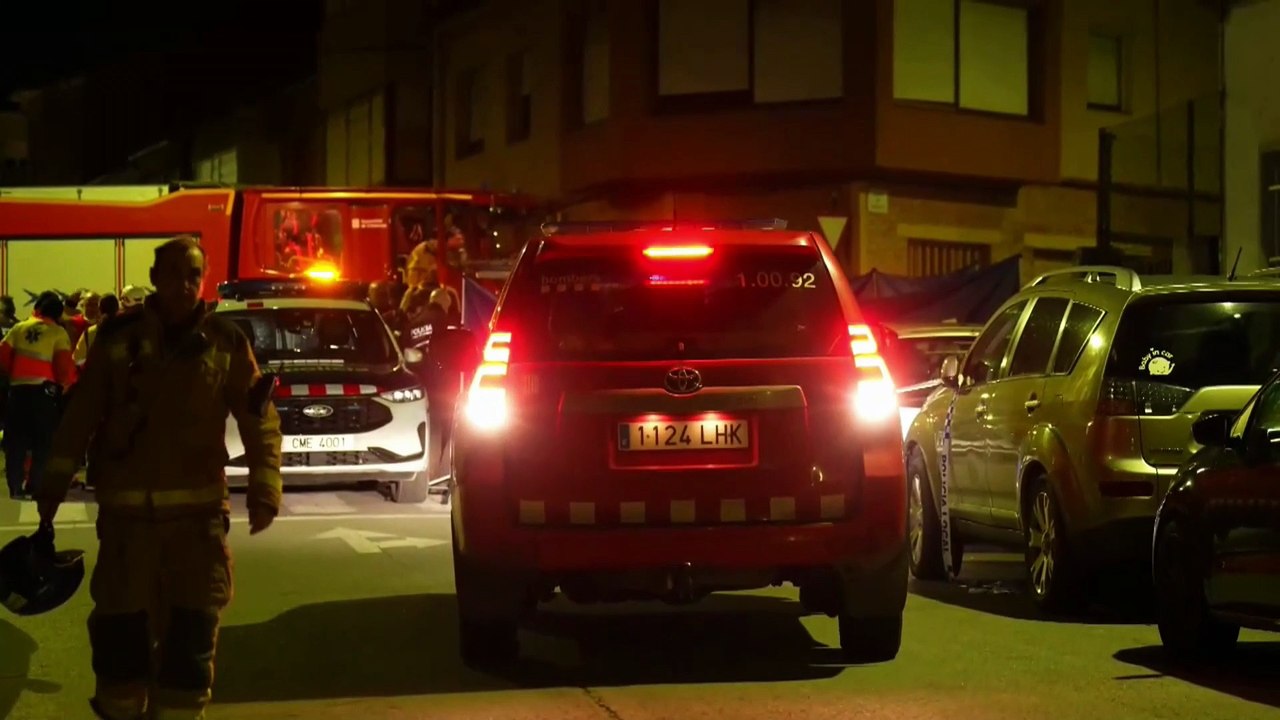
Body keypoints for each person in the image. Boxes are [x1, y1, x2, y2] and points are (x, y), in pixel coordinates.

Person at [35, 236, 283, 720]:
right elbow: (79, 418)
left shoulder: (226, 342)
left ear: (203, 280)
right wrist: (50, 491)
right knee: (119, 652)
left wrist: (265, 487)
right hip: (128, 530)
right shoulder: (117, 339)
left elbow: (259, 418)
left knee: (189, 653)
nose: (184, 286)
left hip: (198, 529)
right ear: (154, 279)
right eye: (173, 274)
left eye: (193, 276)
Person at [0, 292, 75, 500]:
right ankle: (36, 485)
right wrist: (64, 386)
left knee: (16, 442)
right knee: (44, 443)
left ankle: (15, 487)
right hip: (43, 395)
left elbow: (3, 358)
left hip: (17, 392)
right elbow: (63, 369)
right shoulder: (57, 333)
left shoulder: (18, 328)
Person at [73, 294, 120, 368]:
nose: (92, 308)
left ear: (100, 309)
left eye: (95, 305)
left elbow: (77, 360)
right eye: (89, 304)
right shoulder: (129, 329)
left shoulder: (90, 332)